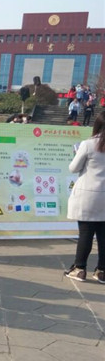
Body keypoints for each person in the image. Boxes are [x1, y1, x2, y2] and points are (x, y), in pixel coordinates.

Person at [64, 112, 105, 284]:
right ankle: (102, 271)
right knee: (103, 235)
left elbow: (73, 168)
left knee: (86, 233)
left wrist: (76, 153)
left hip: (88, 195)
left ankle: (79, 269)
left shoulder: (88, 144)